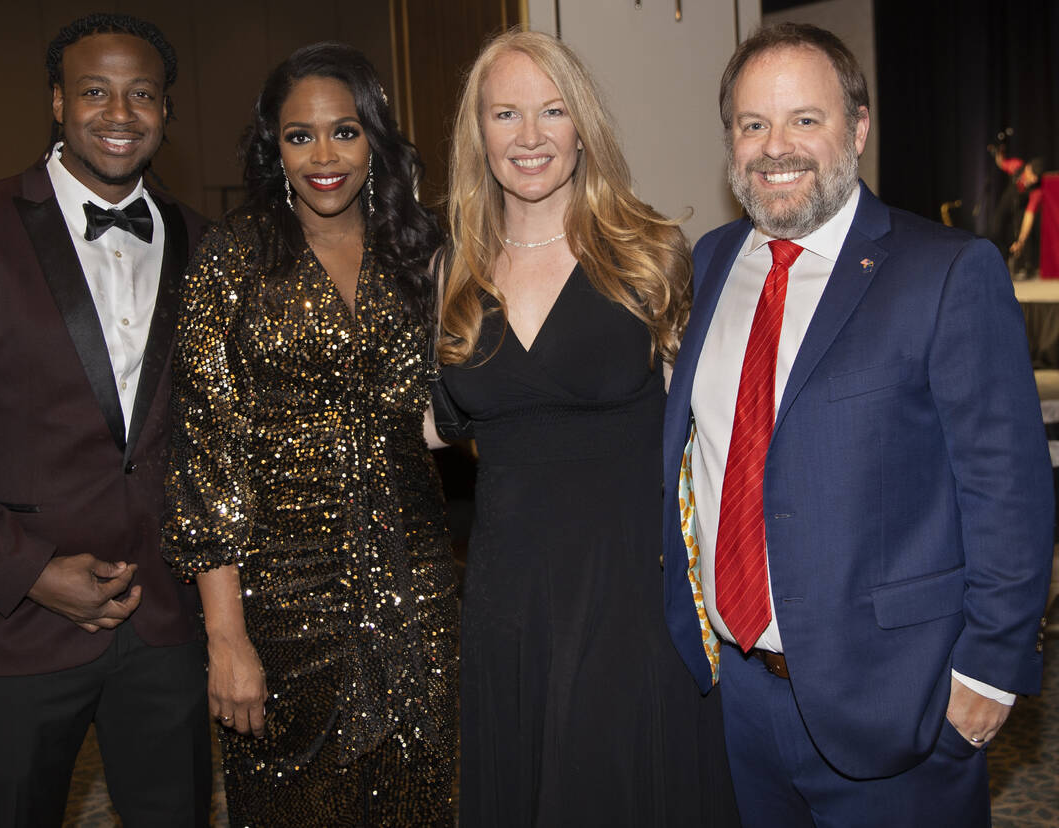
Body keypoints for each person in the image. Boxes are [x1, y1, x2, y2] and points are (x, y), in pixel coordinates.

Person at [662, 23, 1053, 828]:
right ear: (730, 139)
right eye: (753, 124)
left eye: (806, 119)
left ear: (859, 128)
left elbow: (1007, 488)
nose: (778, 148)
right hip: (732, 696)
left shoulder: (945, 272)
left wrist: (990, 669)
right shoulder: (709, 261)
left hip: (895, 702)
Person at [0, 13, 211, 828]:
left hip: (165, 620)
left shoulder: (205, 242)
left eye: (142, 94)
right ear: (57, 102)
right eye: (95, 91)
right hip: (10, 621)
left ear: (167, 111)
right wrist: (29, 570)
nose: (119, 114)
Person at [432, 29, 738, 827]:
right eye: (506, 114)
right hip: (508, 601)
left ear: (583, 127)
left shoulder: (648, 253)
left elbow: (708, 435)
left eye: (552, 110)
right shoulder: (450, 269)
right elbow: (430, 422)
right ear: (479, 133)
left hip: (630, 594)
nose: (529, 137)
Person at [163, 42, 458, 827]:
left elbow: (458, 401)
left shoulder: (421, 248)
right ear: (274, 147)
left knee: (426, 796)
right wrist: (226, 637)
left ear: (376, 141)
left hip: (417, 581)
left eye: (345, 132)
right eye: (300, 136)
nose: (324, 156)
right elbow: (207, 456)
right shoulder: (233, 257)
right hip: (284, 601)